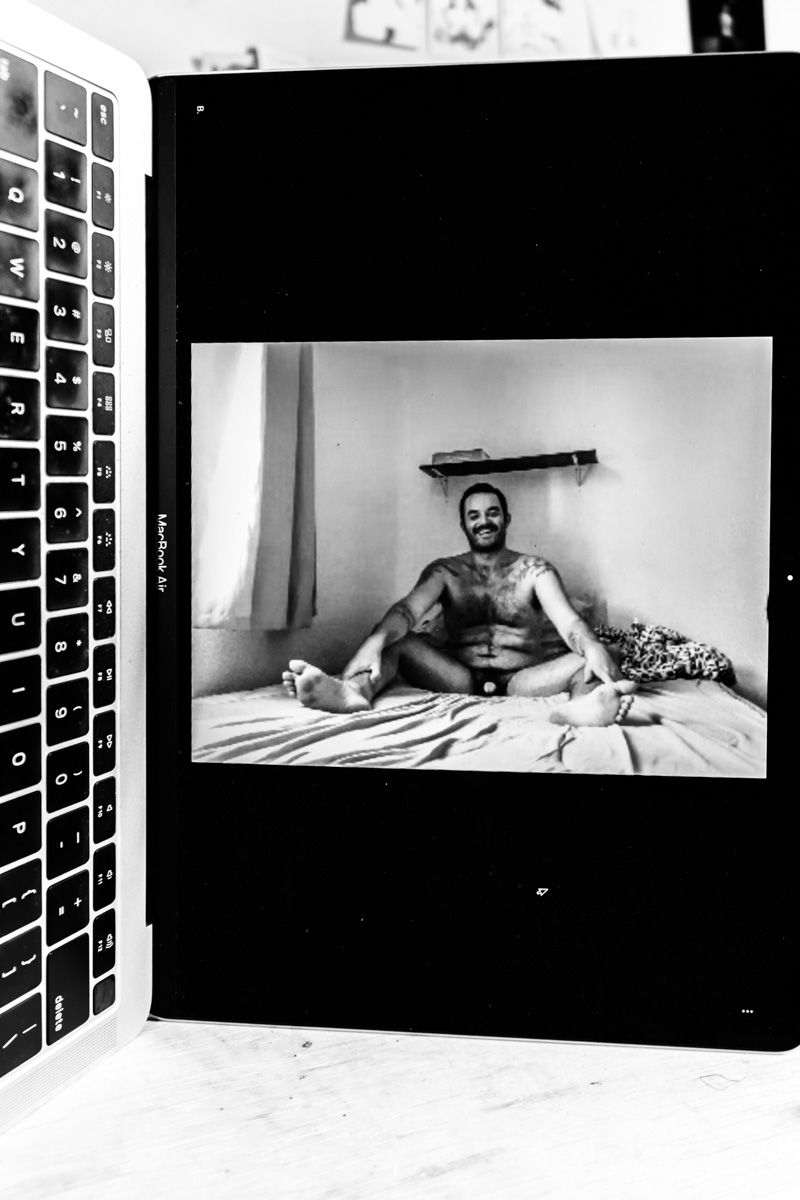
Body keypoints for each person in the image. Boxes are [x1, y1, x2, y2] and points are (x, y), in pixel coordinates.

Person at [283, 482, 636, 727]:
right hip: (457, 677)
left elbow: (569, 622)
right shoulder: (444, 572)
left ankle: (583, 707)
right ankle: (351, 693)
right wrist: (374, 642)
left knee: (601, 652)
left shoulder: (535, 570)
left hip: (524, 680)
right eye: (474, 515)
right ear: (464, 524)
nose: (484, 521)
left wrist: (591, 646)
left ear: (506, 519)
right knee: (394, 641)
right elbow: (406, 612)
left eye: (492, 513)